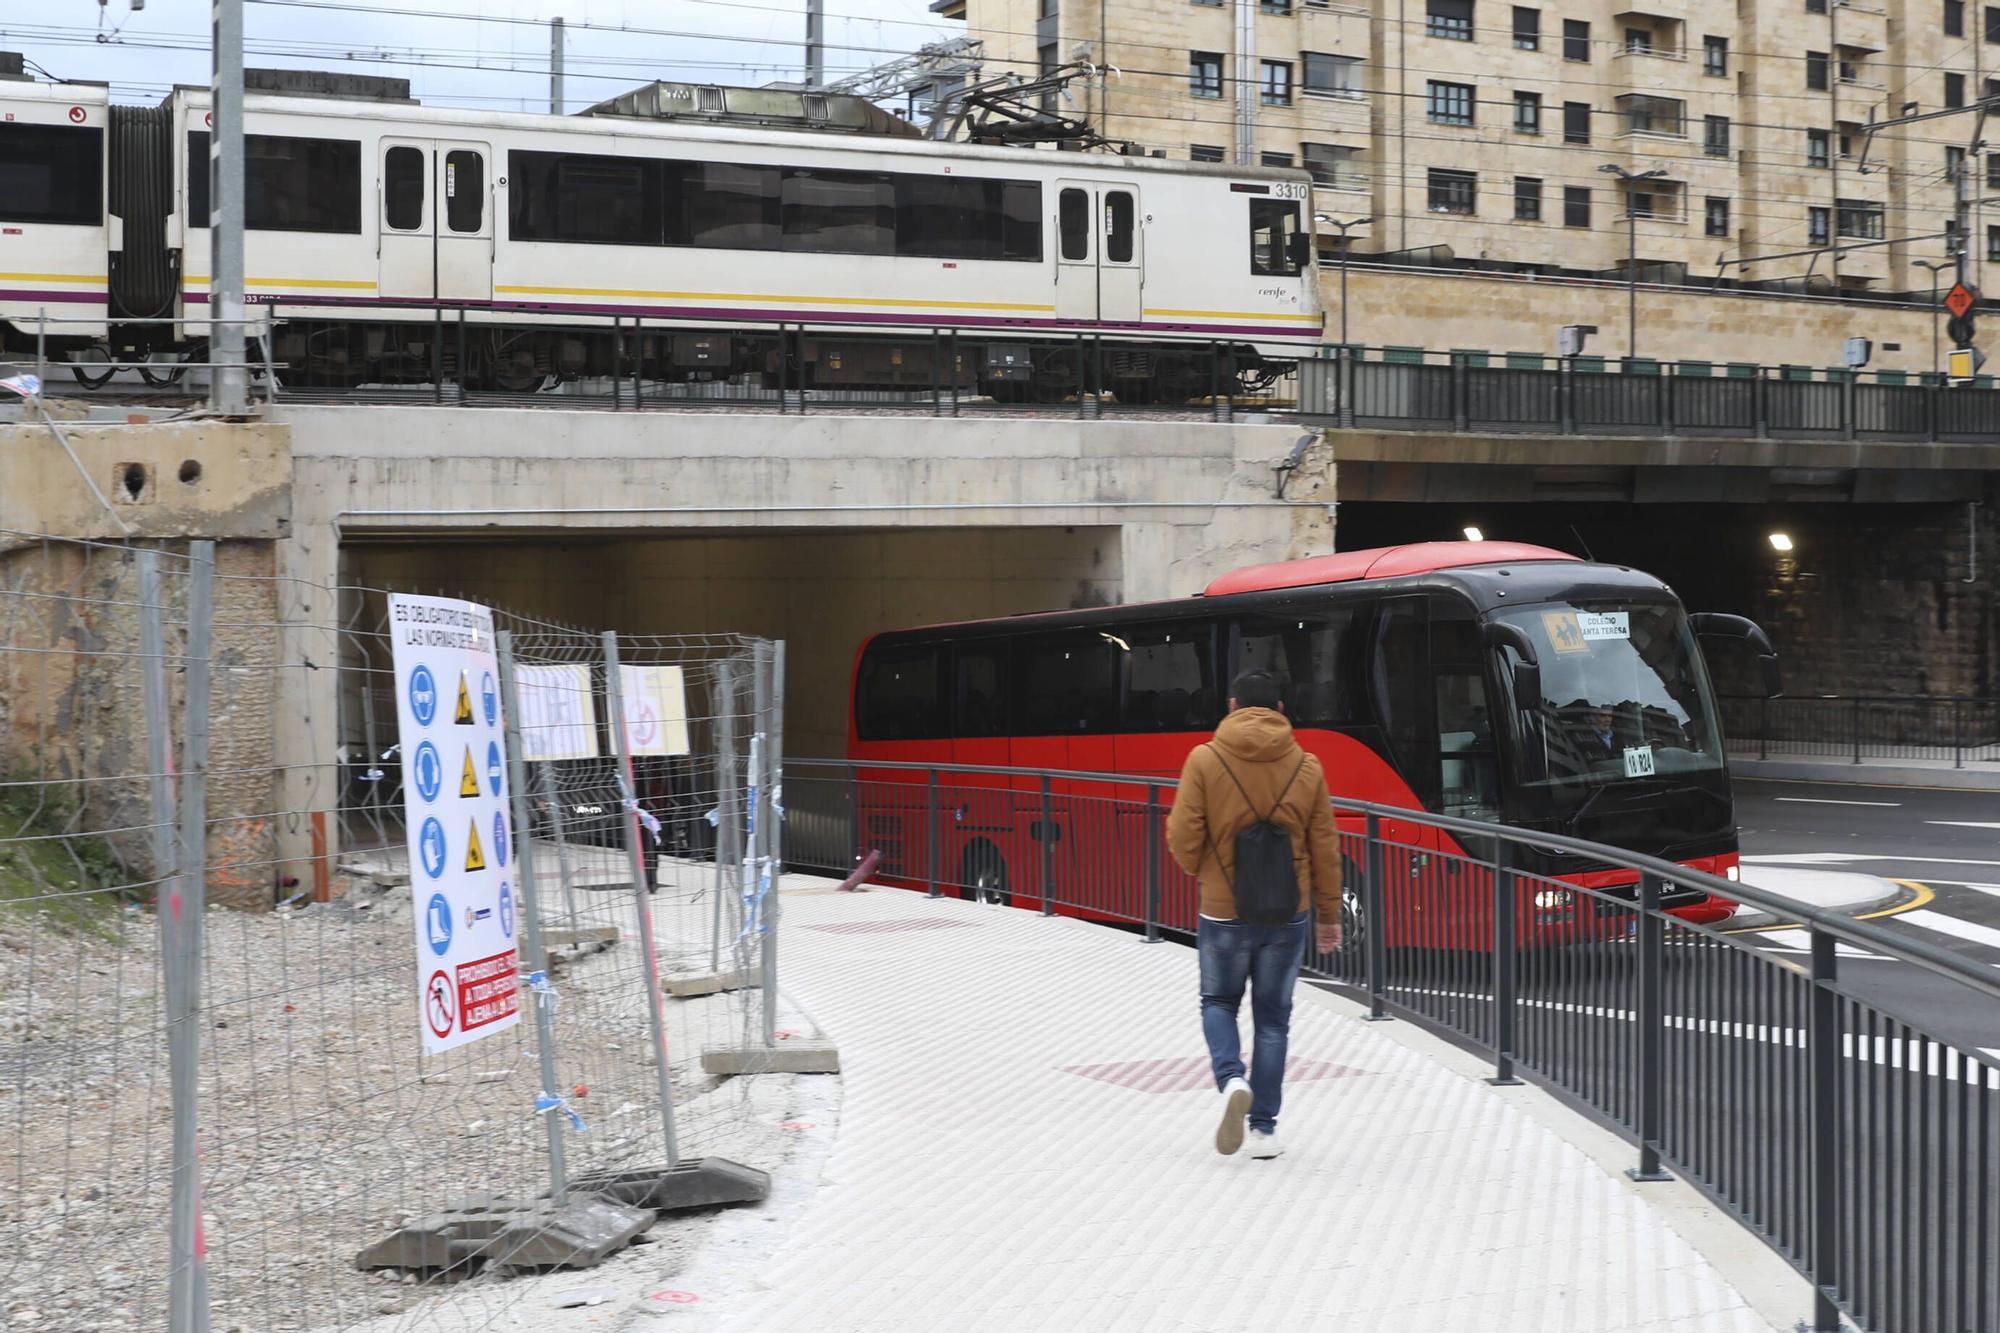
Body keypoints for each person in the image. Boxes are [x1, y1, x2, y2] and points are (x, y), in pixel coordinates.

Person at [1167, 669, 1342, 1160]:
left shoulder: (1204, 759)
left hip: (1223, 912)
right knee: (1273, 1021)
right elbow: (1325, 847)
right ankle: (1265, 1130)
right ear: (1283, 711)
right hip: (1289, 914)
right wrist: (1329, 915)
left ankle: (1230, 1080)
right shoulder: (1307, 767)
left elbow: (1182, 836)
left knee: (1218, 1003)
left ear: (1232, 706)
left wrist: (1207, 874)